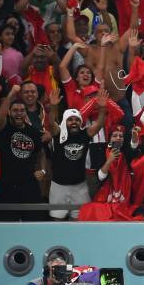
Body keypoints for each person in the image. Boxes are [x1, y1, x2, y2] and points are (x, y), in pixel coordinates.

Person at [47, 88, 107, 220]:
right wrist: (53, 106)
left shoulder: (84, 134)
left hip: (79, 186)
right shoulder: (58, 134)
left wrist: (102, 109)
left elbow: (99, 124)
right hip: (58, 186)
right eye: (70, 119)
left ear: (80, 122)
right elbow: (51, 123)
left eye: (76, 120)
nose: (74, 122)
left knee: (80, 221)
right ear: (64, 122)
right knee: (57, 222)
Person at [0, 85, 46, 221]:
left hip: (29, 185)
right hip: (7, 186)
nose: (19, 113)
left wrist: (43, 170)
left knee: (34, 224)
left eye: (22, 110)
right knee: (6, 226)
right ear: (9, 113)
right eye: (15, 110)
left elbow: (41, 153)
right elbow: (0, 117)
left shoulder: (33, 132)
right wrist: (11, 95)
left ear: (26, 113)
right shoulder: (4, 129)